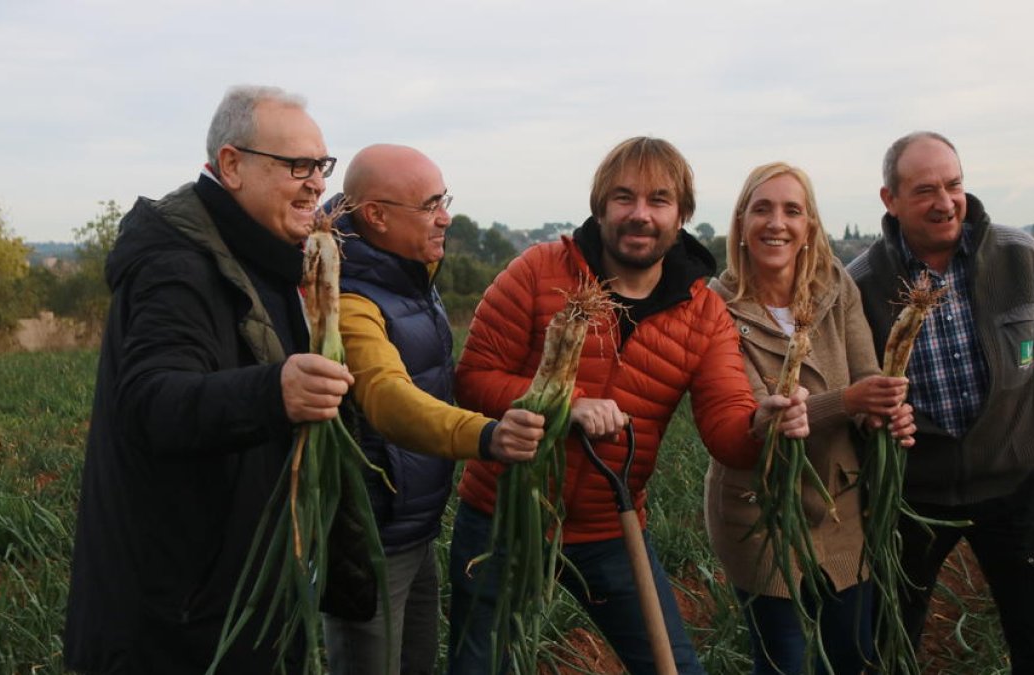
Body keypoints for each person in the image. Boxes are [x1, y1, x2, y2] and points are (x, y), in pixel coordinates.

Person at [447, 136, 811, 675]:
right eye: (624, 198)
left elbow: (726, 430)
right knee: (479, 666)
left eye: (659, 200)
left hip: (609, 529)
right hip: (502, 517)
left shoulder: (703, 313)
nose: (641, 215)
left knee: (673, 666)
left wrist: (763, 423)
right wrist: (562, 407)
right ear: (600, 206)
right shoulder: (537, 271)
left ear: (681, 214)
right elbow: (473, 379)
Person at [62, 85, 354, 674]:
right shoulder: (178, 266)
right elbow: (151, 402)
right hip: (181, 620)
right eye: (297, 165)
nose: (317, 183)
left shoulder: (264, 257)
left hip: (243, 595)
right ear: (231, 165)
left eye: (321, 166)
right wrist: (274, 391)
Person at [847, 131, 1034, 674]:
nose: (945, 201)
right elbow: (850, 395)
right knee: (888, 648)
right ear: (890, 200)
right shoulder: (861, 284)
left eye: (954, 184)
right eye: (925, 190)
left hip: (1013, 484)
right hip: (910, 498)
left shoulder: (1019, 257)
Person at [318, 144, 544, 675]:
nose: (445, 215)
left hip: (413, 527)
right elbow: (388, 399)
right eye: (430, 204)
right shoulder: (350, 299)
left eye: (444, 199)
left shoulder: (408, 276)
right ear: (375, 215)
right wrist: (487, 436)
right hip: (372, 537)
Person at [704, 162, 915, 674]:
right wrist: (850, 402)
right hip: (763, 512)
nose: (777, 222)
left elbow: (866, 371)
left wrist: (886, 415)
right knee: (783, 663)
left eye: (792, 211)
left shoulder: (835, 286)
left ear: (809, 228)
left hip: (841, 505)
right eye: (763, 209)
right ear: (741, 222)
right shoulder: (715, 304)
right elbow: (757, 416)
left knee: (851, 656)